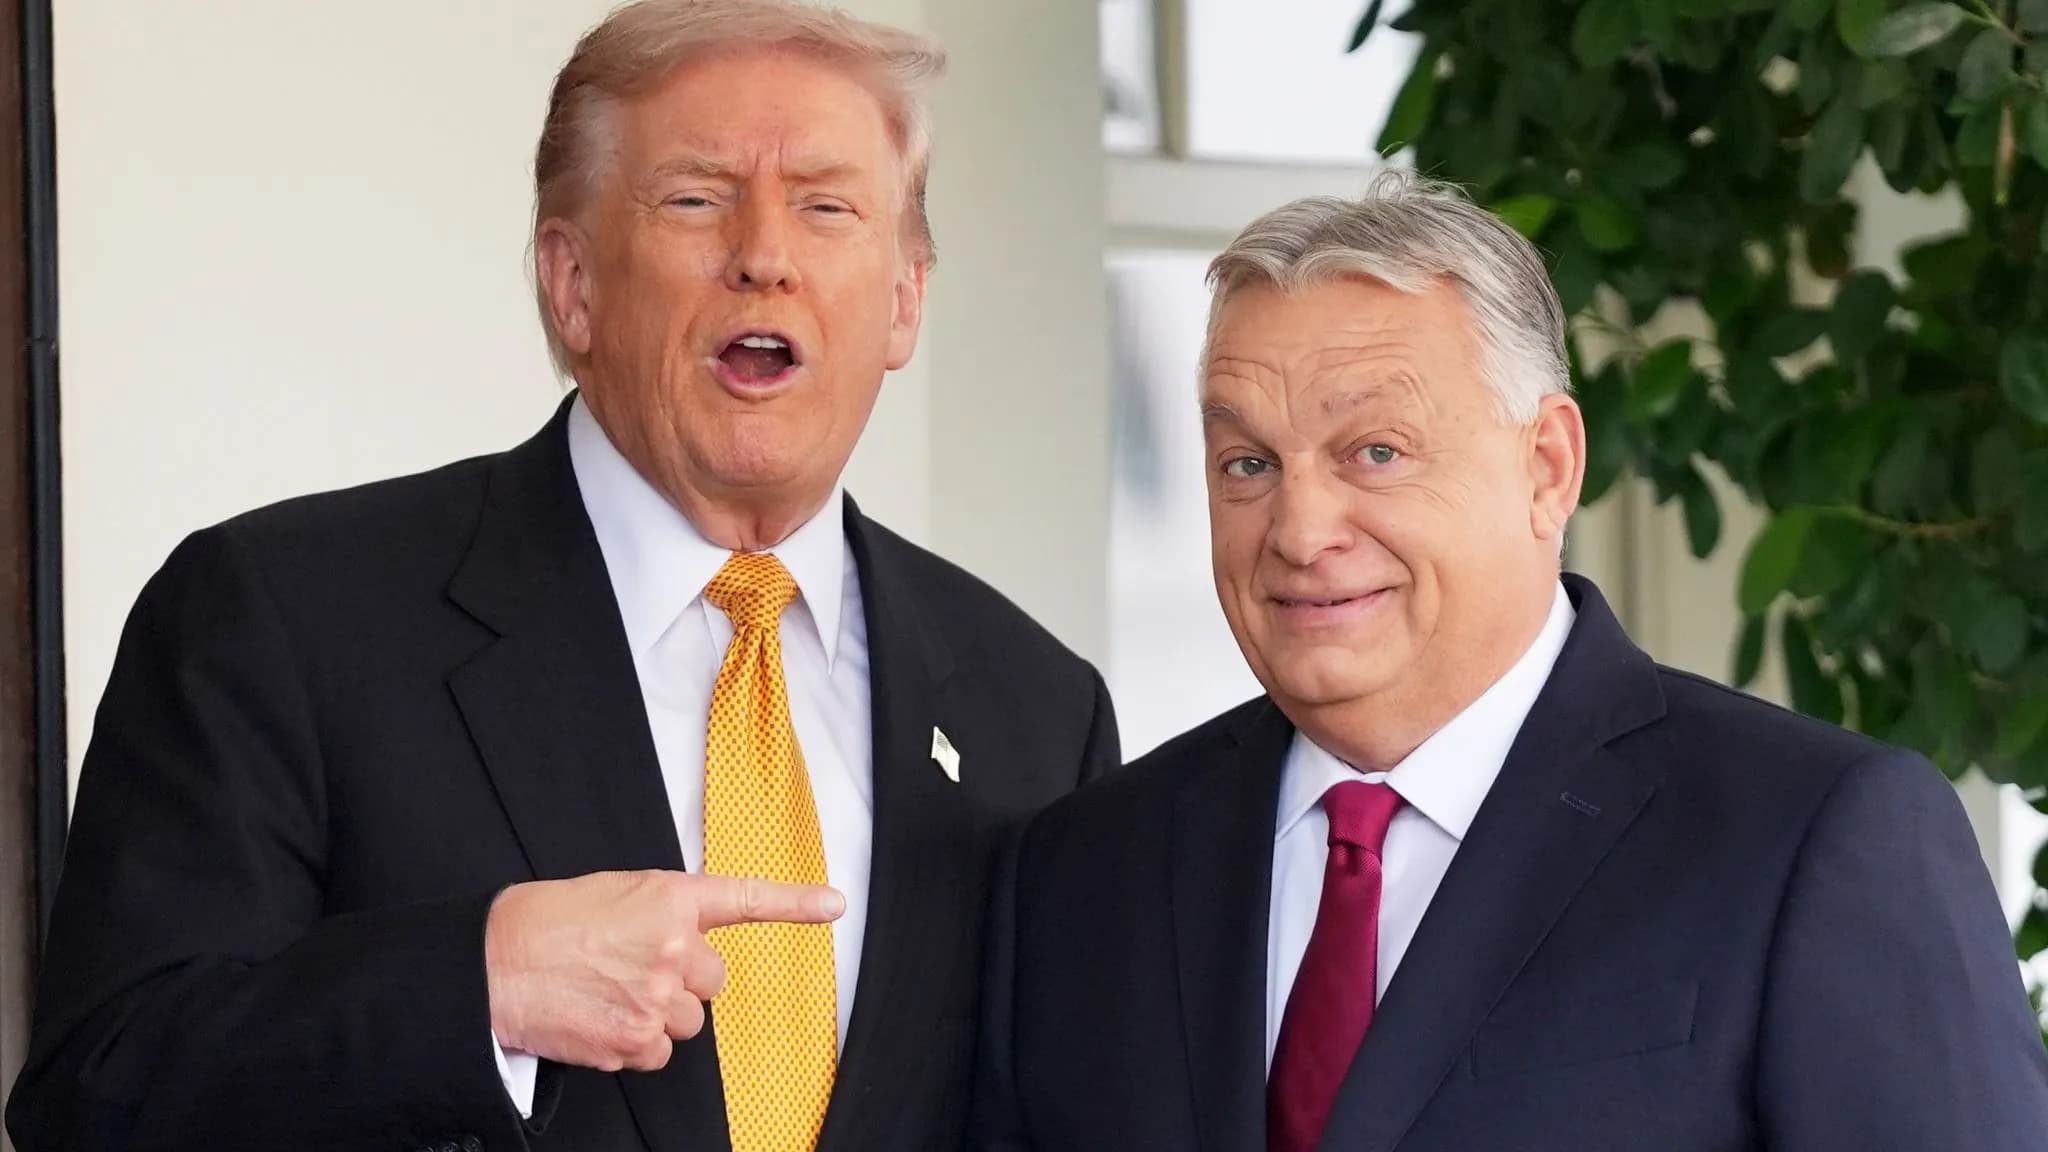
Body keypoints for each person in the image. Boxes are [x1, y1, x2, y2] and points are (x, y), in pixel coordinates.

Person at [7, 3, 1118, 1150]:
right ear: (571, 283)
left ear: (904, 300)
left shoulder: (1038, 713)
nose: (764, 256)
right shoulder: (278, 617)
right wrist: (478, 988)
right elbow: (100, 1095)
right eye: (695, 198)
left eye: (825, 207)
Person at [971, 172, 2048, 1151]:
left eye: (1374, 452)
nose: (1298, 530)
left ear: (1547, 467)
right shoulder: (1083, 872)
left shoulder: (1813, 834)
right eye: (1247, 463)